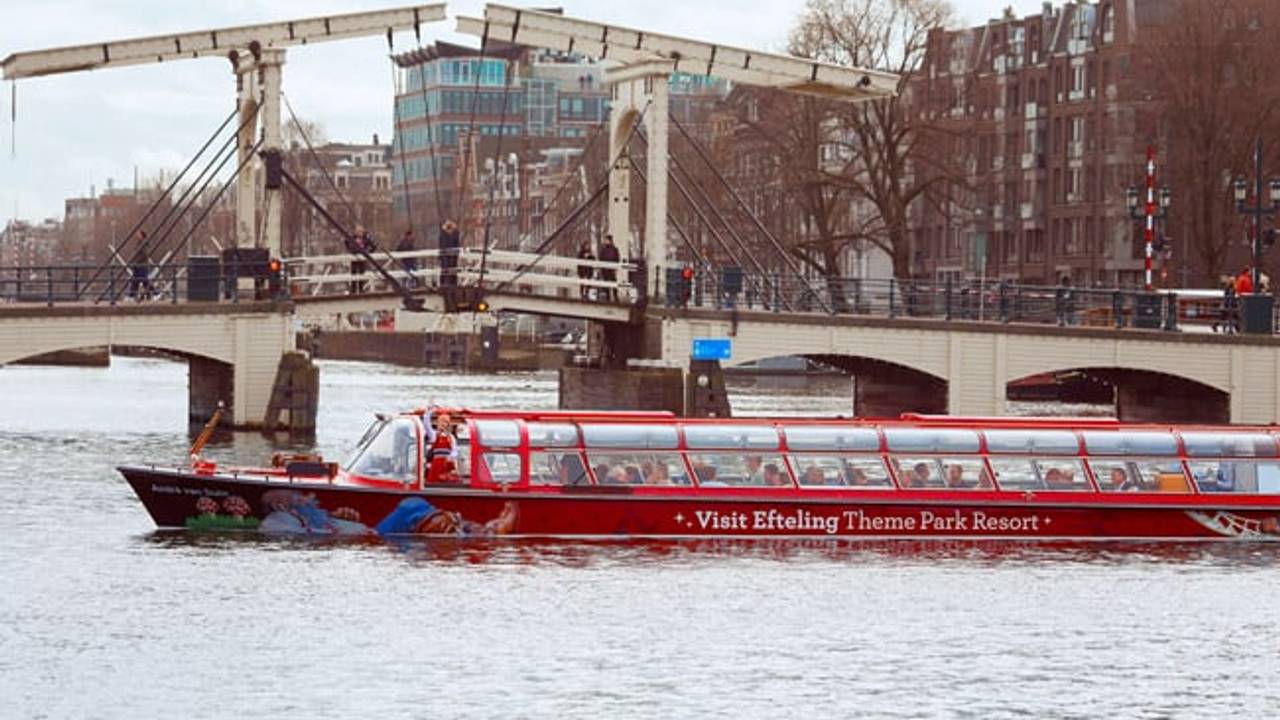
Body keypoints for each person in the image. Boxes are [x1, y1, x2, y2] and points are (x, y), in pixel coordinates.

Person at [425, 411, 459, 483]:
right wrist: (430, 411)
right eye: (441, 422)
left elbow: (455, 450)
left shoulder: (451, 437)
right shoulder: (434, 434)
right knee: (433, 481)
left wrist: (450, 457)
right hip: (436, 463)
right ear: (437, 423)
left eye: (445, 422)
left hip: (447, 464)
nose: (443, 424)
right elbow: (426, 424)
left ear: (448, 424)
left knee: (447, 481)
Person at [347, 225, 374, 295]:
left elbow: (373, 246)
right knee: (353, 272)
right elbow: (347, 243)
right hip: (354, 258)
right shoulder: (352, 238)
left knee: (361, 272)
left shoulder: (366, 238)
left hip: (362, 258)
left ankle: (361, 289)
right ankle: (353, 289)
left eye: (361, 231)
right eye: (358, 231)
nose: (359, 233)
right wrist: (351, 250)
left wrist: (368, 251)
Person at [127, 230, 153, 300]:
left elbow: (144, 254)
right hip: (138, 265)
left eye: (138, 234)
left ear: (142, 235)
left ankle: (134, 295)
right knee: (137, 280)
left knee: (141, 280)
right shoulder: (140, 243)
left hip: (141, 265)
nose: (137, 235)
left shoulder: (143, 244)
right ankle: (134, 295)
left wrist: (137, 261)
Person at [438, 219, 460, 289]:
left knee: (452, 270)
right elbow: (442, 244)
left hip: (452, 255)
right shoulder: (443, 234)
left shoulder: (454, 233)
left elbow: (457, 244)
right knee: (445, 270)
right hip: (446, 255)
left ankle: (452, 284)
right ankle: (444, 284)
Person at [598, 234, 620, 301]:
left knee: (614, 282)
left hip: (612, 269)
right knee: (606, 283)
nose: (606, 241)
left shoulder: (615, 249)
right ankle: (608, 297)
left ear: (610, 241)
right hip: (605, 269)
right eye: (605, 240)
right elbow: (600, 258)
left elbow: (617, 258)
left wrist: (615, 267)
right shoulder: (603, 250)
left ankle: (615, 296)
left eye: (607, 240)